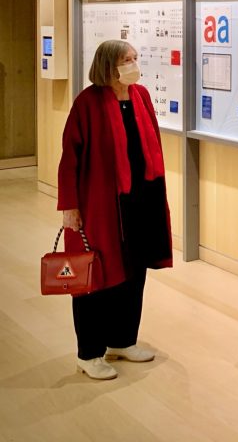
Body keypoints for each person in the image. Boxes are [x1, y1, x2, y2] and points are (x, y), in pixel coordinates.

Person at [57, 40, 173, 380]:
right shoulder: (88, 103)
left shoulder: (140, 96)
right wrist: (70, 206)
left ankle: (122, 340)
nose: (134, 64)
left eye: (136, 58)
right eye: (127, 59)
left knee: (134, 271)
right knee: (94, 277)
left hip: (141, 200)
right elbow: (70, 158)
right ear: (109, 64)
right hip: (100, 204)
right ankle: (89, 352)